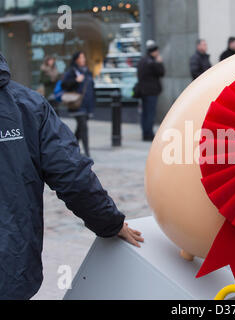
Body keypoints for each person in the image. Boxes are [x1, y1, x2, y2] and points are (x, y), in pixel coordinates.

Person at [0, 52, 144, 300]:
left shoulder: (28, 107)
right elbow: (72, 174)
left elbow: (71, 173)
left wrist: (108, 221)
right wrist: (109, 222)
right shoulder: (27, 105)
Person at [61, 51, 95, 157]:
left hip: (87, 104)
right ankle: (87, 152)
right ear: (76, 59)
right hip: (77, 104)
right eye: (81, 57)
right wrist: (76, 80)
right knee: (84, 127)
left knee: (80, 129)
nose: (83, 59)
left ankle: (71, 148)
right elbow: (64, 85)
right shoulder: (72, 71)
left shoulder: (87, 71)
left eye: (84, 57)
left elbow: (91, 88)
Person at [137, 40, 165, 141]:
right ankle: (149, 134)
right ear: (153, 52)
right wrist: (160, 63)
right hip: (151, 92)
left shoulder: (142, 61)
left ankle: (145, 133)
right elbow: (161, 72)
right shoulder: (153, 62)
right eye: (156, 51)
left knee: (145, 113)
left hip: (143, 91)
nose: (158, 53)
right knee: (150, 113)